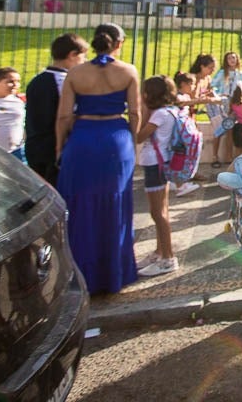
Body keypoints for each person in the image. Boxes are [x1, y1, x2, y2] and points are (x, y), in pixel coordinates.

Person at [56, 23, 141, 294]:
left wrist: (60, 146)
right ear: (118, 43)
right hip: (116, 138)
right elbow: (136, 114)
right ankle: (113, 274)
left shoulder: (75, 72)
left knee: (79, 205)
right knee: (115, 205)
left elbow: (64, 116)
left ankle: (80, 273)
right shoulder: (128, 71)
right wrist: (132, 141)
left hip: (83, 138)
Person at [133, 75, 182, 277]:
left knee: (158, 213)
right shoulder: (170, 111)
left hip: (155, 164)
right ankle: (160, 251)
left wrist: (142, 112)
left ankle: (168, 257)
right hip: (162, 162)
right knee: (162, 210)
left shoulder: (159, 115)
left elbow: (138, 136)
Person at [25, 33, 88, 185]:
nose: (84, 61)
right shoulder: (64, 81)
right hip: (54, 148)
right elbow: (67, 116)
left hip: (34, 146)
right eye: (83, 56)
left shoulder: (36, 80)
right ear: (72, 55)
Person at [210, 52, 242, 167]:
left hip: (234, 104)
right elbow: (213, 86)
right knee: (220, 130)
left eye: (234, 58)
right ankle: (214, 156)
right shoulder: (222, 73)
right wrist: (219, 95)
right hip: (223, 104)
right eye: (229, 58)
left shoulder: (240, 74)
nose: (232, 60)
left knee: (230, 129)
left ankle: (229, 156)